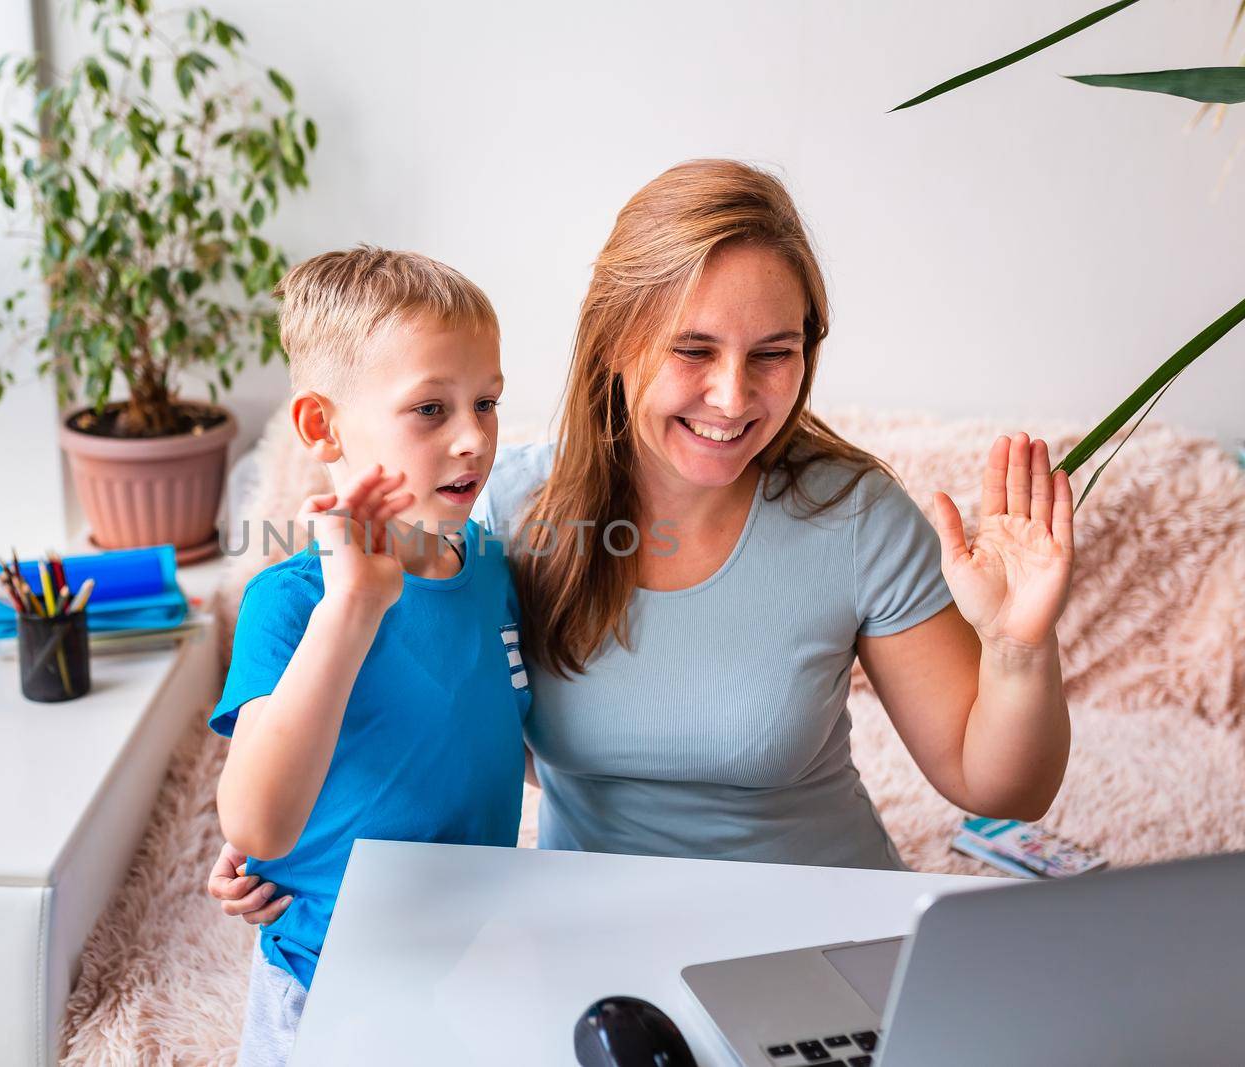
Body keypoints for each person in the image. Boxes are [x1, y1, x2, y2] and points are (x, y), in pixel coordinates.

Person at [211, 159, 1072, 918]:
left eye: (773, 352)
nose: (733, 397)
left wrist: (1017, 648)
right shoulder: (506, 511)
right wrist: (299, 840)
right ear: (616, 340)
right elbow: (437, 713)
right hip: (592, 936)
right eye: (693, 349)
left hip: (819, 925)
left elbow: (999, 785)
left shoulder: (856, 514)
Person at [210, 246, 531, 1067]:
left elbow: (495, 732)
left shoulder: (492, 564)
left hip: (469, 963)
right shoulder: (290, 603)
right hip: (330, 985)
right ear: (323, 426)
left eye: (486, 402)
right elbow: (253, 820)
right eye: (430, 409)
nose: (473, 437)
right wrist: (351, 604)